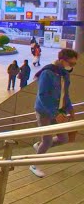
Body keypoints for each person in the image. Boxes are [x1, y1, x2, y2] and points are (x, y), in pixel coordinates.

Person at [30, 49, 78, 178]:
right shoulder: (48, 73)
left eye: (74, 64)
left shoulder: (64, 74)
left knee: (63, 139)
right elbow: (43, 96)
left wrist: (70, 109)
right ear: (62, 61)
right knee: (47, 140)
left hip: (59, 111)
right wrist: (55, 113)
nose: (72, 67)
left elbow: (65, 94)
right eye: (71, 64)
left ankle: (39, 146)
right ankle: (34, 164)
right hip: (45, 111)